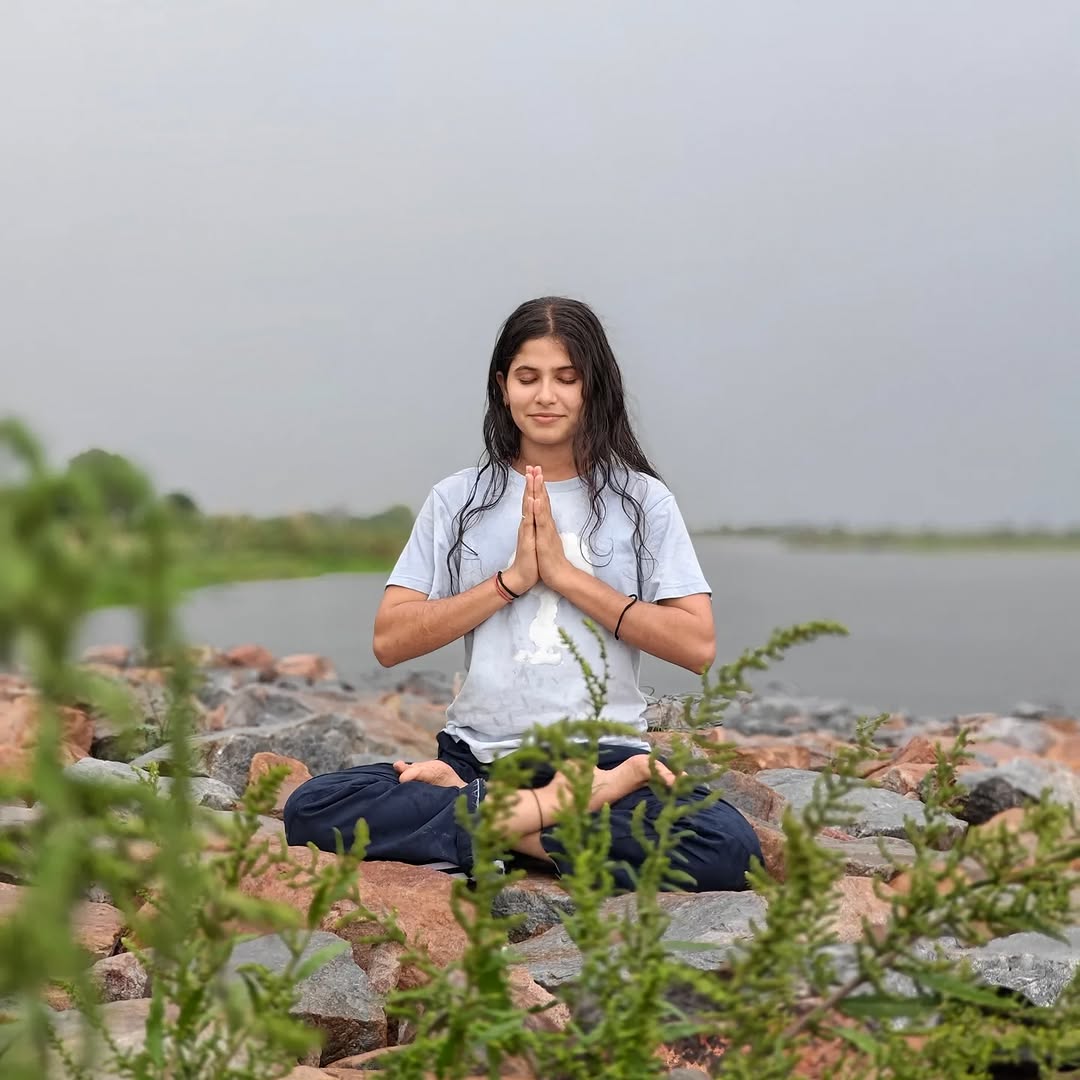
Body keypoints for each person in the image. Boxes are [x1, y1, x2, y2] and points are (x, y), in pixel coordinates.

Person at [283, 297, 762, 891]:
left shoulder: (642, 502)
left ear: (593, 387)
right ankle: (535, 816)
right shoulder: (458, 499)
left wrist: (565, 577)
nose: (546, 396)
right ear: (502, 386)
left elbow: (697, 646)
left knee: (727, 847)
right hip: (478, 758)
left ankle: (482, 824)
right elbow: (390, 639)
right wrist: (509, 582)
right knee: (312, 806)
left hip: (602, 759)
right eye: (528, 377)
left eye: (567, 378)